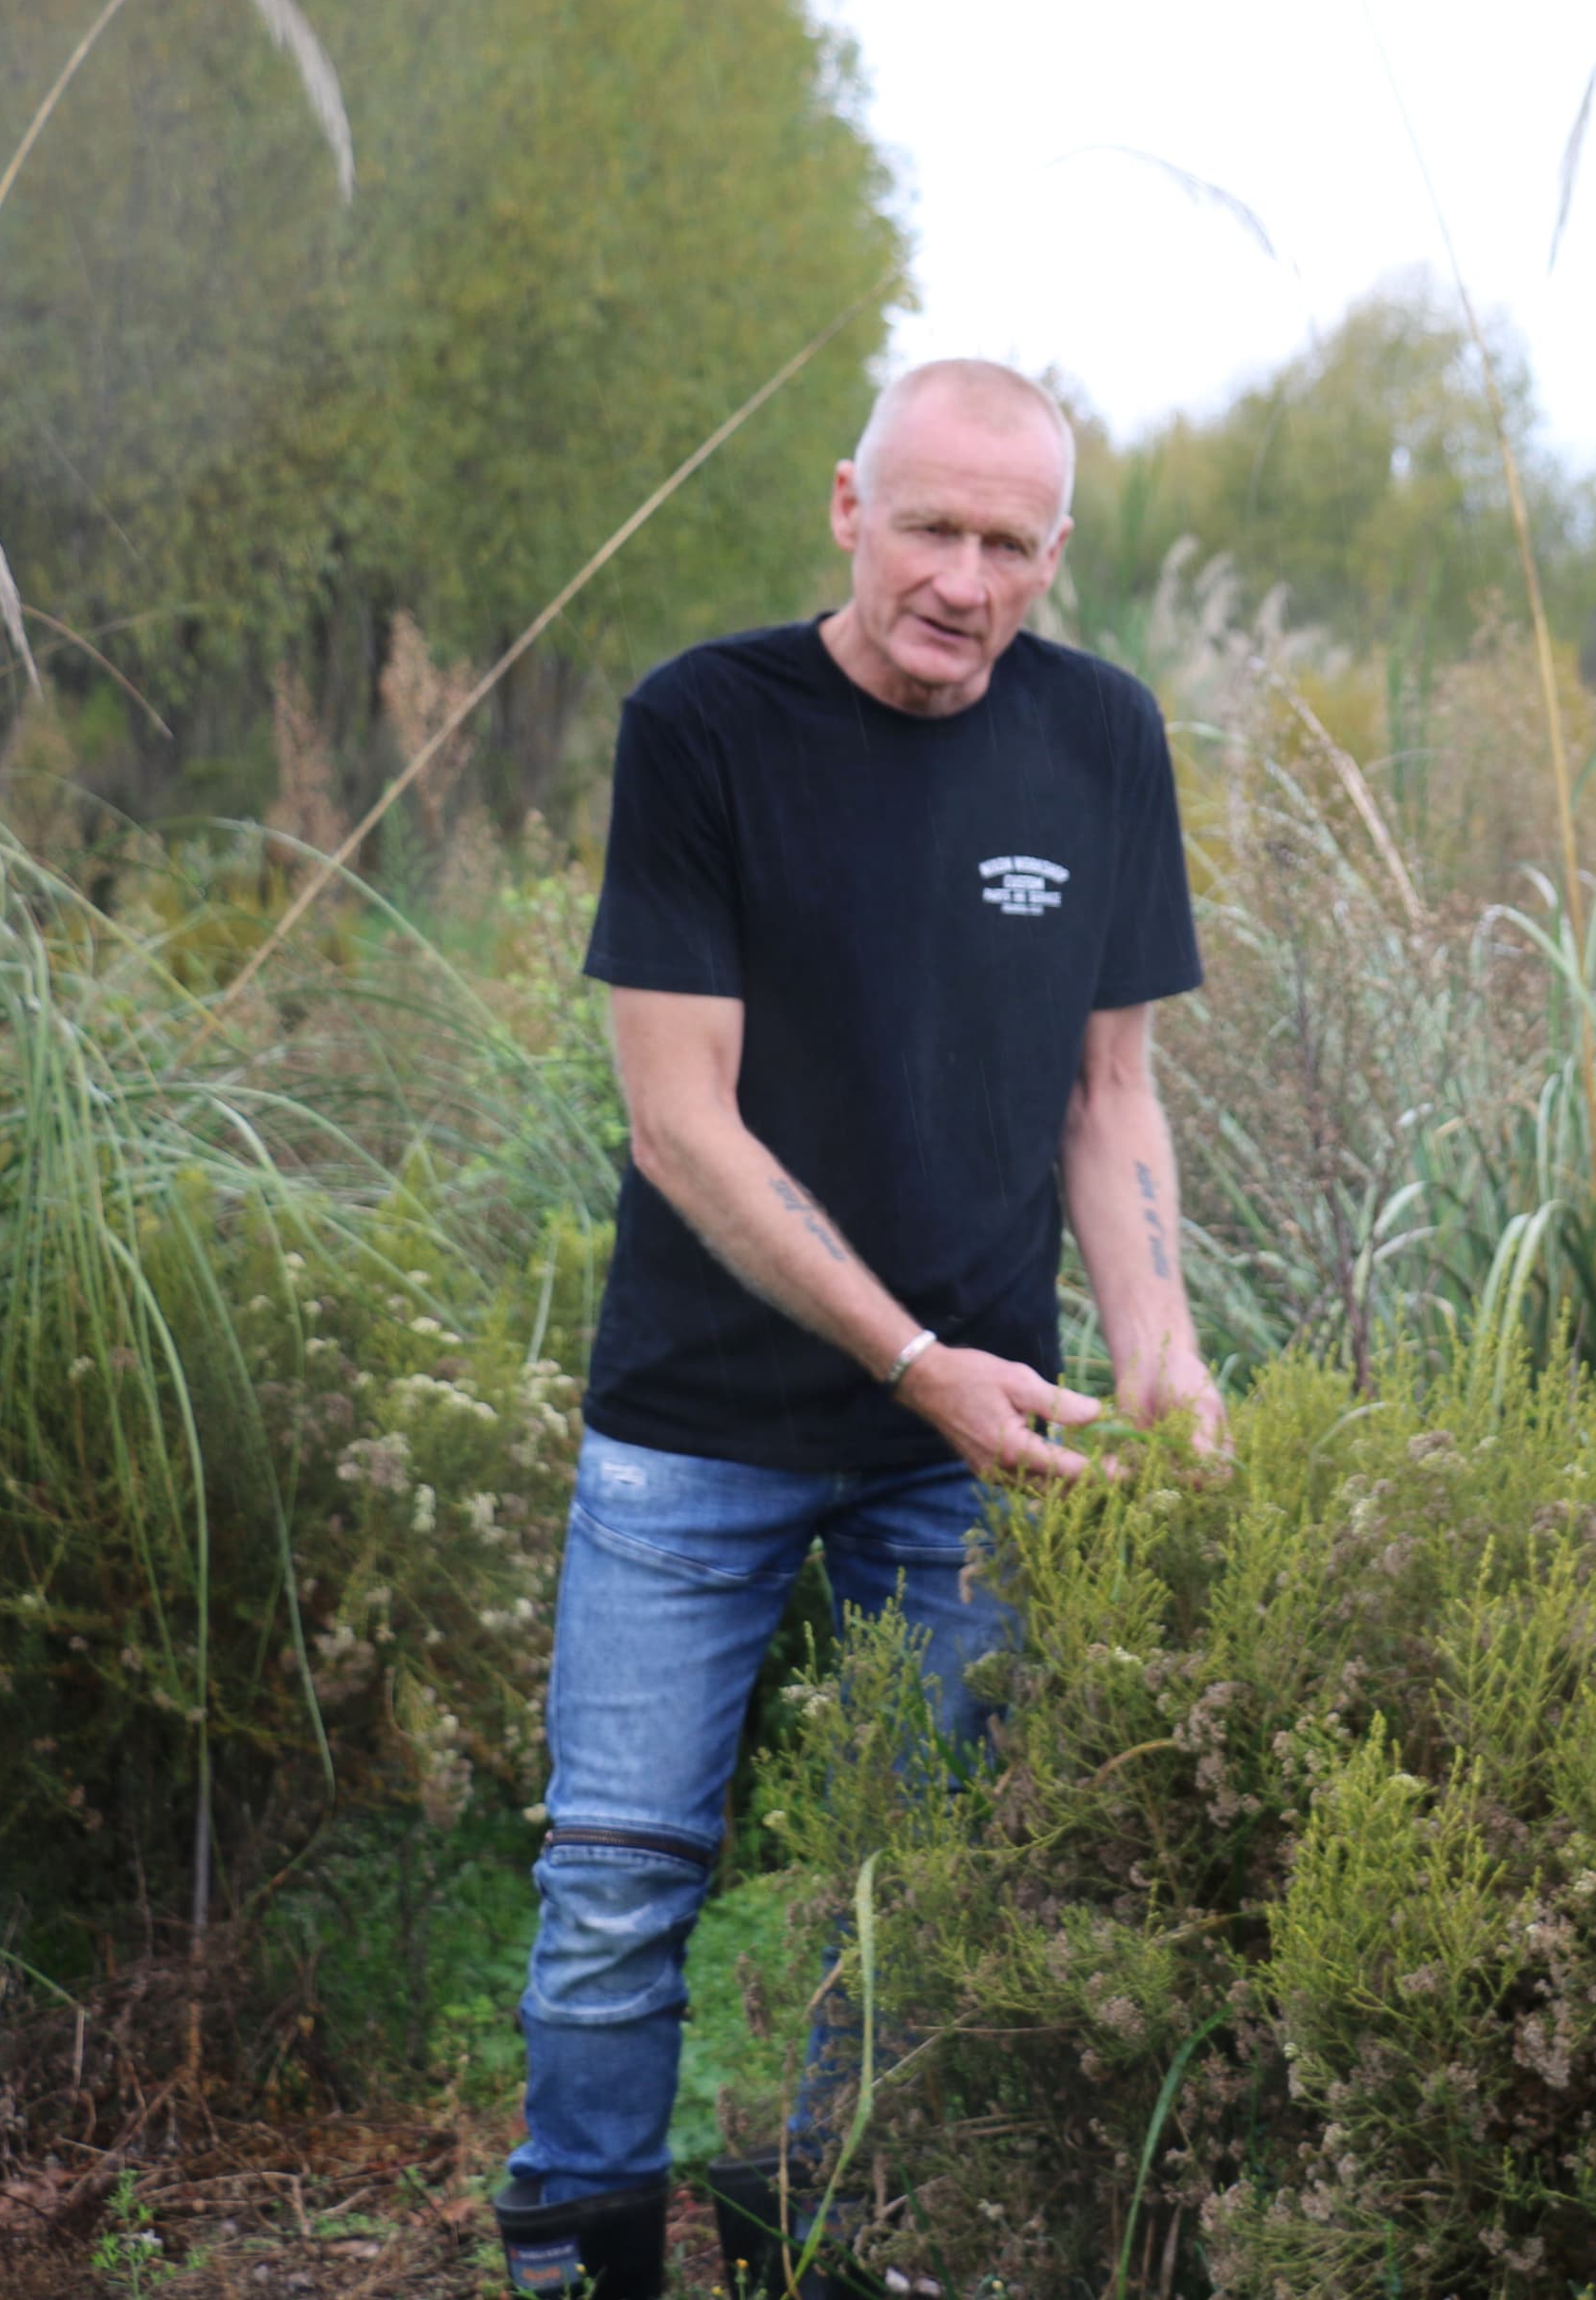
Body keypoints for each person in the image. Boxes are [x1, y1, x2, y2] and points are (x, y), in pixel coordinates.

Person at [492, 359, 1214, 2299]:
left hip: (973, 1441)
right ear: (846, 508)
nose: (964, 580)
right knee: (620, 1888)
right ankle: (580, 2263)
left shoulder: (1102, 738)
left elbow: (1110, 1092)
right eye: (930, 528)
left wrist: (1158, 1335)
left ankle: (813, 2244)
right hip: (697, 1424)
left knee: (905, 1894)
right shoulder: (706, 726)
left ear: (1054, 553)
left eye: (1007, 544)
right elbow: (678, 1118)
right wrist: (910, 1356)